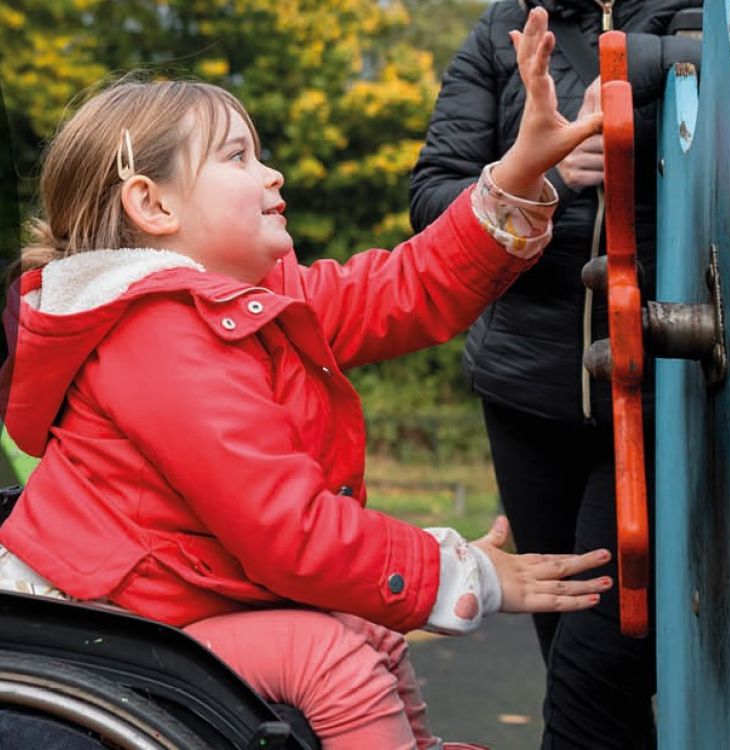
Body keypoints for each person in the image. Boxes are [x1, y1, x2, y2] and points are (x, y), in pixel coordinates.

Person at [0, 10, 609, 750]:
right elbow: (288, 532)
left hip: (178, 599)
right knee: (332, 662)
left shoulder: (252, 304)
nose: (272, 173)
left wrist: (516, 175)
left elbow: (401, 289)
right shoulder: (155, 338)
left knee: (367, 630)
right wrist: (466, 572)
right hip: (116, 628)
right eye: (238, 158)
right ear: (153, 206)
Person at [410, 1, 702, 748]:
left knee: (596, 667)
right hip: (526, 395)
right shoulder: (502, 29)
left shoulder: (701, 11)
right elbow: (432, 199)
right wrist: (533, 172)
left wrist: (633, 75)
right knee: (574, 661)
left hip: (672, 386)